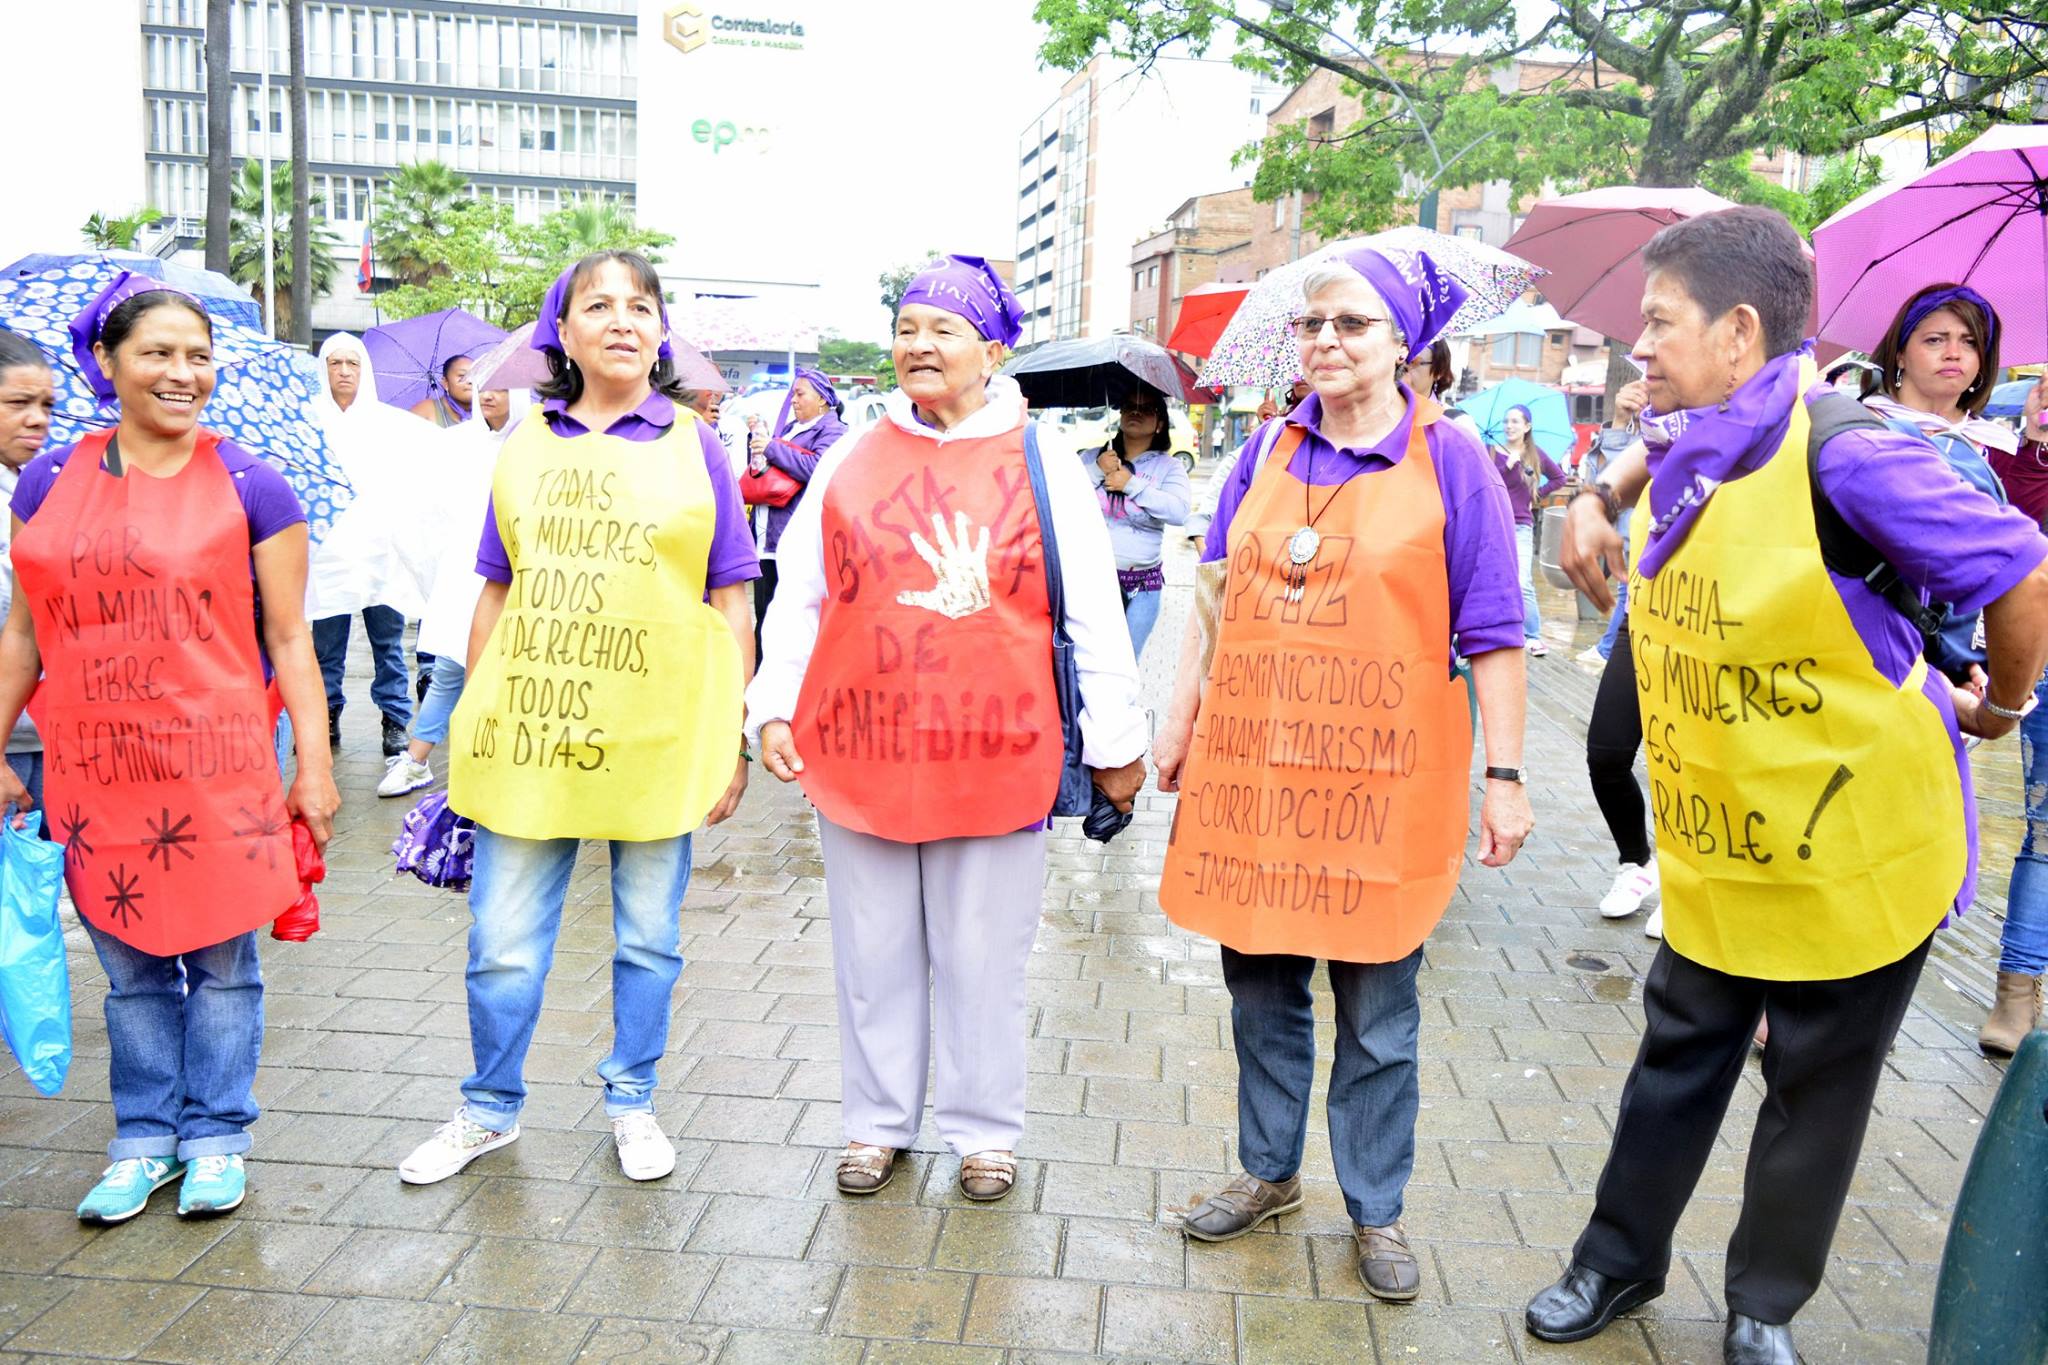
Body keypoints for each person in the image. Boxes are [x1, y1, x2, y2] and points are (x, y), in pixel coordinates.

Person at [1530, 207, 2048, 1365]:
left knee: (1814, 1087)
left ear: (1739, 331)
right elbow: (1646, 459)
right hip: (1729, 843)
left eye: (1657, 325)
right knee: (1676, 1060)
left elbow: (2020, 573)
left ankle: (1761, 1305)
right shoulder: (1696, 434)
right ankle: (1612, 1265)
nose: (1638, 351)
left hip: (1858, 844)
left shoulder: (1849, 450)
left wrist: (2000, 713)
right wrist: (1588, 500)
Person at [1155, 244, 1532, 1301]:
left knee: (1378, 1006)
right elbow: (1211, 600)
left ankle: (1375, 1208)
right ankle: (1267, 1171)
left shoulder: (1451, 458)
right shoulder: (1266, 449)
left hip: (1383, 785)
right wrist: (1177, 723)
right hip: (1255, 771)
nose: (1324, 341)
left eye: (1352, 325)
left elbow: (1495, 632)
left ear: (1404, 342)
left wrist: (1503, 775)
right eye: (1312, 324)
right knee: (1260, 985)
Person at [748, 254, 1147, 1203]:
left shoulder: (1044, 460)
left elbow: (1088, 606)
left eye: (945, 329)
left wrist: (1116, 743)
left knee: (982, 956)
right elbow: (800, 596)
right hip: (862, 746)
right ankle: (876, 1122)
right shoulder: (851, 454)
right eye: (908, 328)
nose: (919, 346)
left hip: (997, 748)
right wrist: (770, 702)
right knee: (871, 952)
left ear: (993, 347)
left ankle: (983, 1131)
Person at [397, 251, 757, 1187]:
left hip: (659, 738)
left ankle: (632, 1099)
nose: (624, 320)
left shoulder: (695, 443)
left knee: (647, 935)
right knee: (503, 942)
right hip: (530, 736)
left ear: (662, 331)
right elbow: (494, 590)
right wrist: (475, 714)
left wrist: (731, 737)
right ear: (563, 332)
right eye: (599, 305)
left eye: (642, 306)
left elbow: (732, 603)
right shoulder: (524, 444)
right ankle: (488, 1107)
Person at [0, 275, 337, 1223]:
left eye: (198, 354)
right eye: (157, 352)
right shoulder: (47, 478)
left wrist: (312, 764)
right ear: (106, 364)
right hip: (95, 771)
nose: (182, 373)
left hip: (221, 770)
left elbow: (290, 642)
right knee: (131, 973)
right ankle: (144, 1137)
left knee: (224, 965)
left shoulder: (253, 483)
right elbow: (24, 634)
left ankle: (219, 1130)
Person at [1856, 284, 2048, 1052]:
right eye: (1934, 337)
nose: (1953, 353)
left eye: (1967, 343)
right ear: (1899, 347)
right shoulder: (1865, 430)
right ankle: (1802, 987)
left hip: (1975, 665)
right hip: (1891, 663)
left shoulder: (1985, 448)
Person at [377, 384, 530, 798]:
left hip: (519, 575)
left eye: (501, 388)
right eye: (483, 387)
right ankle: (417, 760)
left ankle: (502, 763)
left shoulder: (538, 440)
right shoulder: (461, 443)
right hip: (465, 573)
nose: (489, 396)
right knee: (449, 666)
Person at [305, 334, 434, 757]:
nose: (344, 371)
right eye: (335, 363)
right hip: (330, 555)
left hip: (382, 551)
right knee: (325, 646)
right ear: (322, 369)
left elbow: (436, 457)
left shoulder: (389, 424)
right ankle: (326, 716)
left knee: (388, 644)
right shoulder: (308, 422)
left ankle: (395, 721)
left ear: (365, 370)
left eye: (353, 363)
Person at [1984, 373, 2048, 1051]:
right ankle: (2017, 988)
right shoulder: (2009, 450)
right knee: (2046, 825)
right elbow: (2014, 539)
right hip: (2034, 644)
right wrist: (2036, 449)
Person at [1084, 384, 1190, 662]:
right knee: (1087, 660)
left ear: (1159, 424)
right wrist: (1097, 470)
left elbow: (1179, 512)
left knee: (1124, 665)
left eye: (1146, 409)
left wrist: (1132, 485)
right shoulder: (1093, 457)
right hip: (1091, 580)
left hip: (1142, 587)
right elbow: (1059, 496)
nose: (1135, 412)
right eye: (1129, 405)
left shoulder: (1169, 467)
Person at [748, 367, 847, 646]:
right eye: (793, 394)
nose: (793, 400)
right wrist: (757, 440)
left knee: (788, 618)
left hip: (795, 537)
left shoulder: (834, 431)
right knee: (764, 612)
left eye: (800, 394)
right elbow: (768, 469)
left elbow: (818, 468)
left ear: (822, 400)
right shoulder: (791, 429)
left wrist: (771, 448)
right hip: (767, 536)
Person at [0, 335, 54, 811]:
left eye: (45, 404)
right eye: (18, 403)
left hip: (44, 730)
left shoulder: (37, 489)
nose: (38, 419)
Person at [1489, 404, 1567, 656]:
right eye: (1506, 421)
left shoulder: (1534, 454)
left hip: (1521, 524)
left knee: (1523, 581)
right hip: (1494, 523)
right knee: (1495, 580)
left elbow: (1559, 479)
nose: (1509, 426)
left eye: (1514, 421)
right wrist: (1508, 465)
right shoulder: (1491, 452)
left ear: (1527, 427)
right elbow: (1488, 482)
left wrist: (1536, 496)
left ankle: (1532, 636)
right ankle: (1499, 630)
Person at [410, 352, 474, 427]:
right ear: (445, 383)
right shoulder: (426, 410)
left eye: (474, 375)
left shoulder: (486, 411)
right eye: (462, 375)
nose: (470, 381)